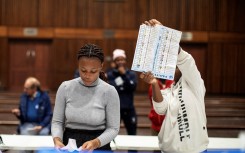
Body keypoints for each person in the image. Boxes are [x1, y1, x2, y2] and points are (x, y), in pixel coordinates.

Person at [140, 19, 209, 153]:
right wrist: (154, 84)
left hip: (195, 150)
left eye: (176, 66)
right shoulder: (168, 90)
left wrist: (163, 34)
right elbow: (160, 108)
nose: (173, 68)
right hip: (169, 150)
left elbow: (186, 60)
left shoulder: (195, 84)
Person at [51, 43, 120, 151]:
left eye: (93, 71)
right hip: (69, 144)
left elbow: (113, 129)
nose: (87, 75)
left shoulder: (109, 91)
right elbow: (57, 122)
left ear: (101, 66)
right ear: (78, 65)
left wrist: (96, 142)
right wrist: (57, 140)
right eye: (83, 70)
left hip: (99, 144)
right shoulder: (65, 87)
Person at [107, 49, 138, 136]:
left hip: (129, 109)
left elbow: (133, 87)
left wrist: (124, 75)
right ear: (114, 61)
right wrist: (123, 87)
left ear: (125, 61)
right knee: (111, 135)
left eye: (122, 59)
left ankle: (132, 150)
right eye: (118, 60)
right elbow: (112, 90)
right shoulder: (110, 75)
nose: (120, 62)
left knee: (132, 134)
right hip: (115, 110)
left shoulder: (131, 74)